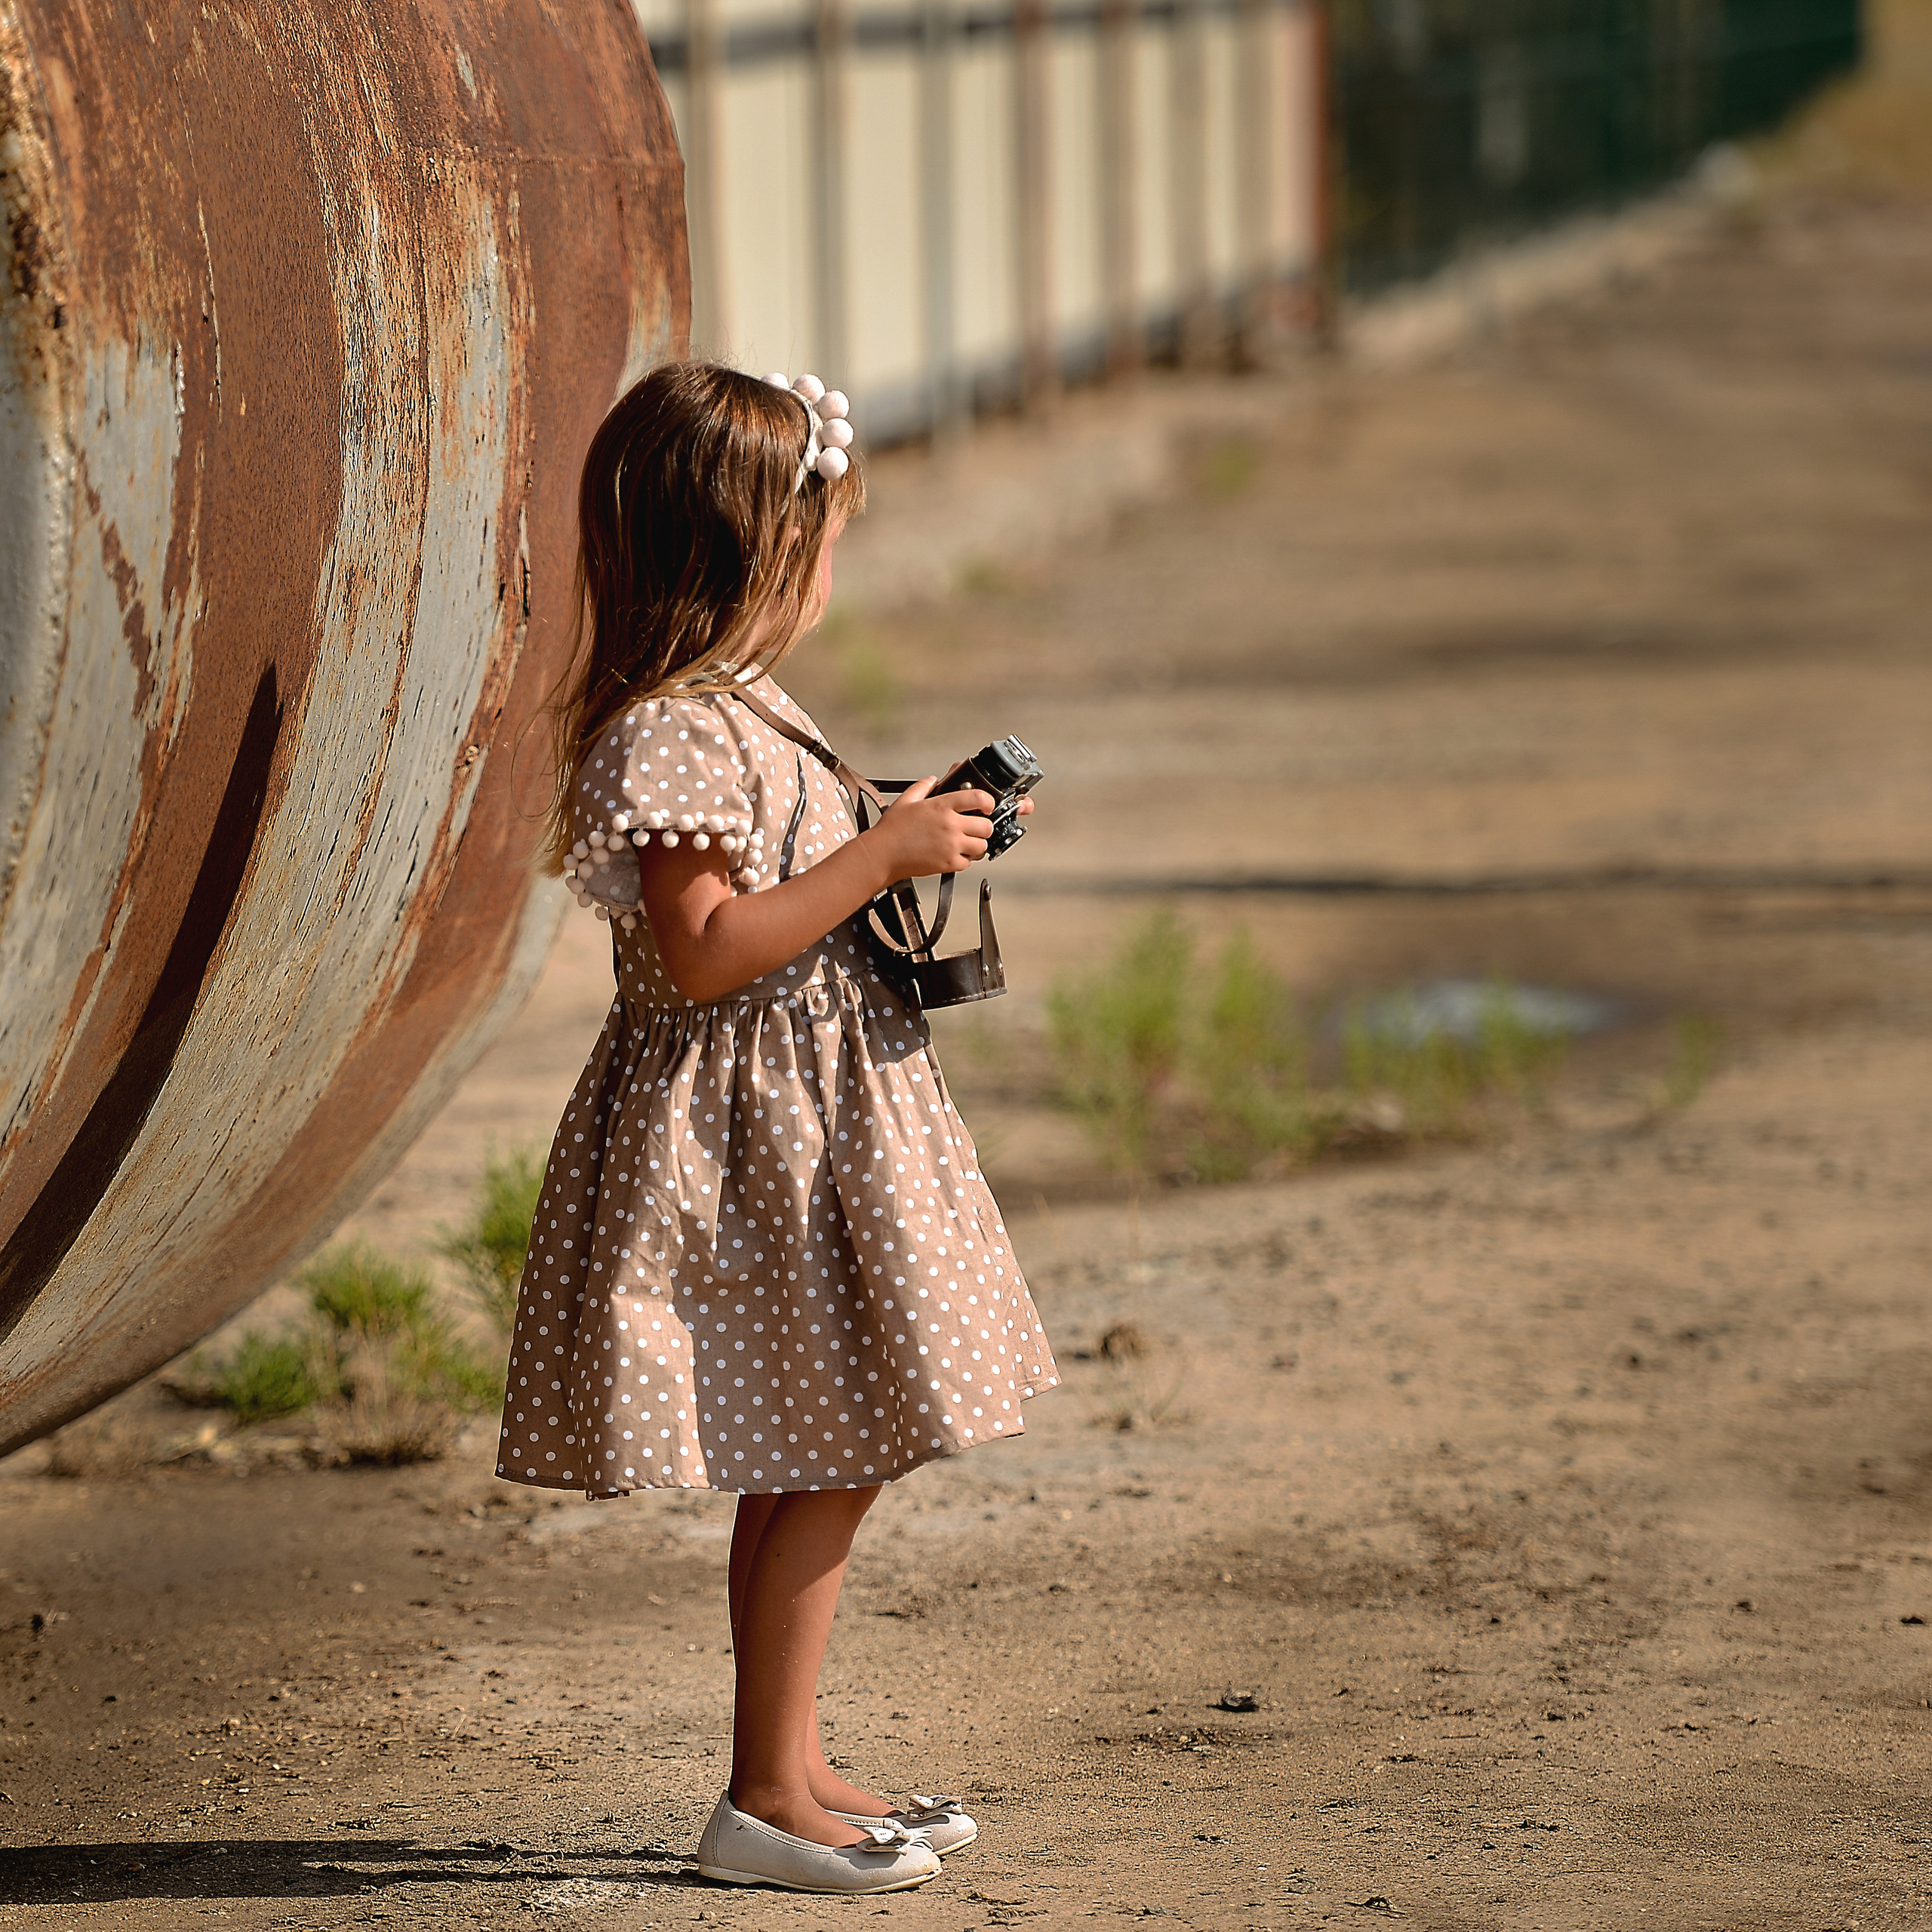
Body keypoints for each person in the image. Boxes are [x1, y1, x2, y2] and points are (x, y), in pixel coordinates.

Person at [496, 361, 1060, 1896]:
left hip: (820, 1116)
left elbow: (782, 856)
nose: (825, 573)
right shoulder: (665, 730)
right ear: (743, 551)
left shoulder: (739, 707)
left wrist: (903, 811)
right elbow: (703, 948)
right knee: (836, 1445)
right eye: (815, 542)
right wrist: (884, 847)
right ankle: (760, 1795)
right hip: (757, 1141)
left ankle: (791, 1767)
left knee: (830, 1447)